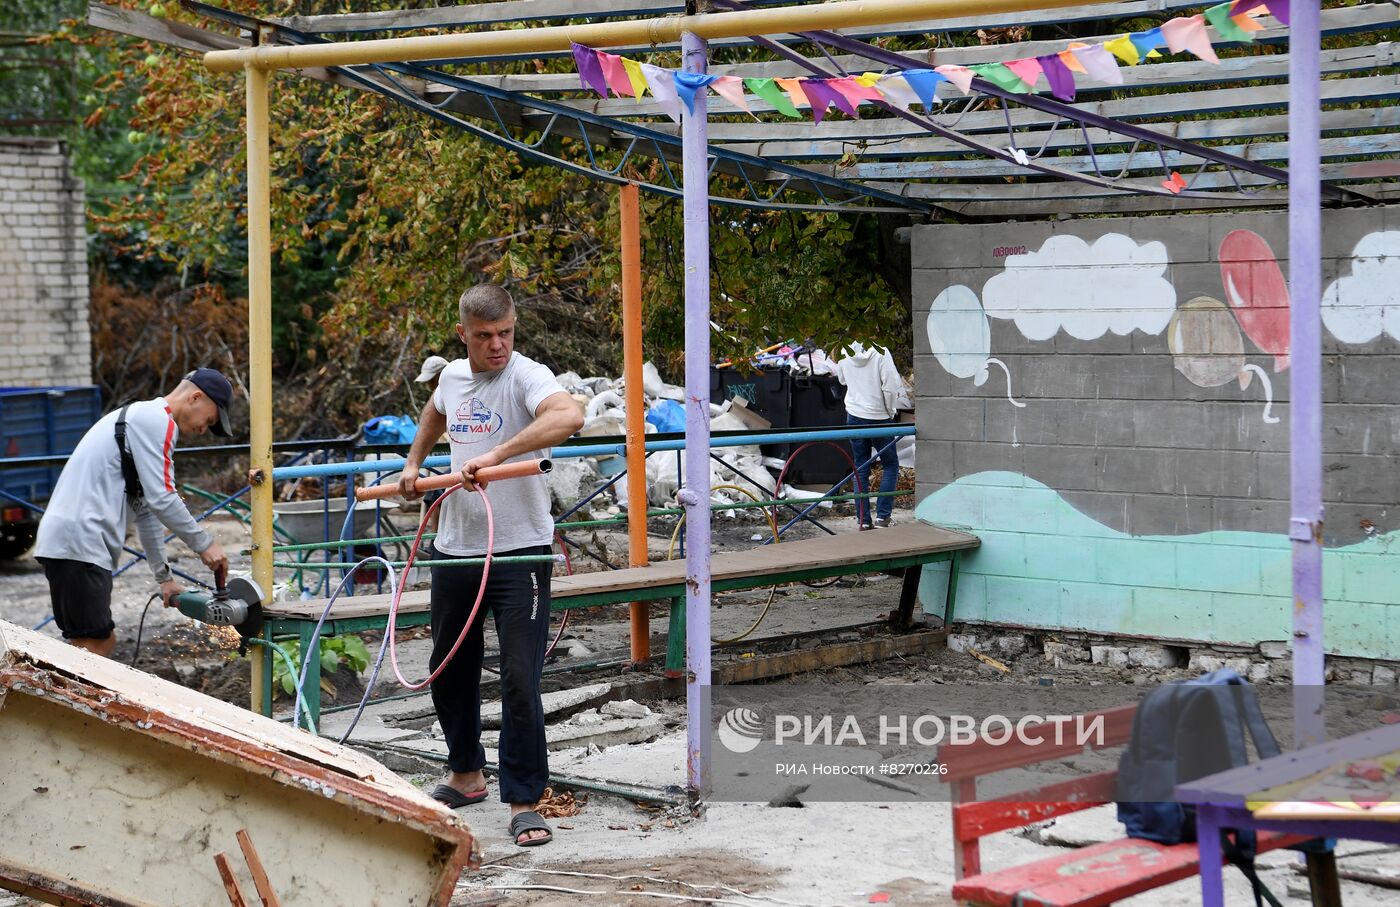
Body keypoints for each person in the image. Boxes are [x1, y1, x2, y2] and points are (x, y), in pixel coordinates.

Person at [399, 284, 583, 847]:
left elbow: (569, 415)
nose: (498, 345)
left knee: (520, 677)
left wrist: (499, 454)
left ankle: (525, 800)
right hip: (455, 547)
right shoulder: (453, 377)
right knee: (449, 668)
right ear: (464, 334)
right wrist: (413, 463)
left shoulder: (529, 375)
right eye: (485, 336)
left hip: (520, 551)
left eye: (505, 332)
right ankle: (466, 774)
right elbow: (435, 413)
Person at [33, 368, 234, 657]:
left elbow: (147, 511)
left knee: (85, 645)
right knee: (96, 644)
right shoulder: (158, 421)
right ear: (195, 397)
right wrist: (204, 544)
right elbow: (163, 497)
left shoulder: (142, 421)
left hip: (72, 543)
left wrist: (164, 578)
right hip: (80, 541)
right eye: (209, 420)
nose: (203, 429)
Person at [832, 342, 906, 530]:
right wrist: (890, 412)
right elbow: (890, 387)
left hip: (855, 415)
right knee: (890, 464)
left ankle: (863, 520)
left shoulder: (843, 349)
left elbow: (841, 379)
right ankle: (883, 517)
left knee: (860, 466)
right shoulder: (882, 351)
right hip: (879, 416)